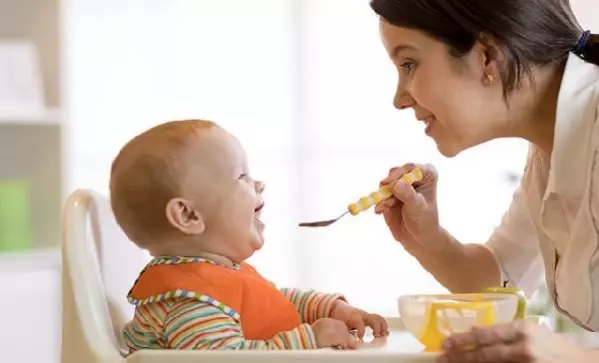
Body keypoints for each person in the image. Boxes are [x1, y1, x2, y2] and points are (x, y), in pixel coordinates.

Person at [368, 0, 599, 362]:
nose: (399, 98)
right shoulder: (550, 146)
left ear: (487, 57)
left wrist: (572, 357)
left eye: (409, 64)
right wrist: (427, 238)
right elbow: (499, 280)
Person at [110, 120, 388, 353]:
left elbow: (277, 301)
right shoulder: (188, 303)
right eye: (242, 176)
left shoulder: (216, 278)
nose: (259, 184)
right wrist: (309, 340)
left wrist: (330, 309)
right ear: (189, 216)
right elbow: (232, 360)